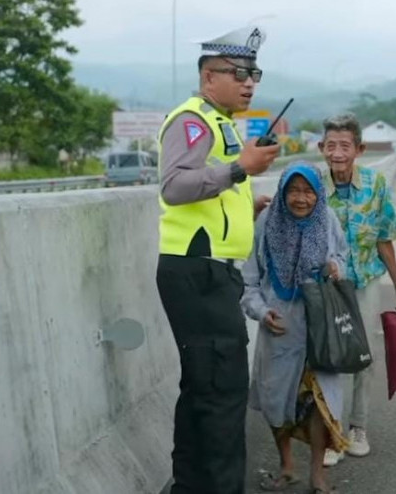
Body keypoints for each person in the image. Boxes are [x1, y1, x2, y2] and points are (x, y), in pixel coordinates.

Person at [155, 26, 280, 494]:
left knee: (202, 388)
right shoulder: (193, 120)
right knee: (223, 390)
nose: (250, 83)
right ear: (210, 77)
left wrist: (247, 201)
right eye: (239, 73)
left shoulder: (220, 122)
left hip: (208, 270)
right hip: (198, 271)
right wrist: (237, 169)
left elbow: (211, 197)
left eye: (254, 74)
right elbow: (174, 186)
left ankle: (190, 485)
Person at [242, 162, 349, 494]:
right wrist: (262, 312)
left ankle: (318, 475)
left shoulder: (328, 220)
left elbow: (343, 258)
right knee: (276, 401)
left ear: (318, 194)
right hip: (280, 328)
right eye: (293, 190)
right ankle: (287, 466)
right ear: (282, 192)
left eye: (308, 191)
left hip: (320, 327)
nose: (301, 199)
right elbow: (248, 282)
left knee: (320, 403)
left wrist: (335, 267)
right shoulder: (265, 223)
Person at [318, 113, 396, 466]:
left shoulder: (375, 185)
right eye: (331, 146)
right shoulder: (311, 184)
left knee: (363, 356)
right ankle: (332, 432)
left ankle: (358, 427)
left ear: (359, 149)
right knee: (328, 358)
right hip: (325, 286)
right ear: (321, 148)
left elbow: (384, 237)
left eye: (344, 146)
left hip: (366, 279)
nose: (337, 153)